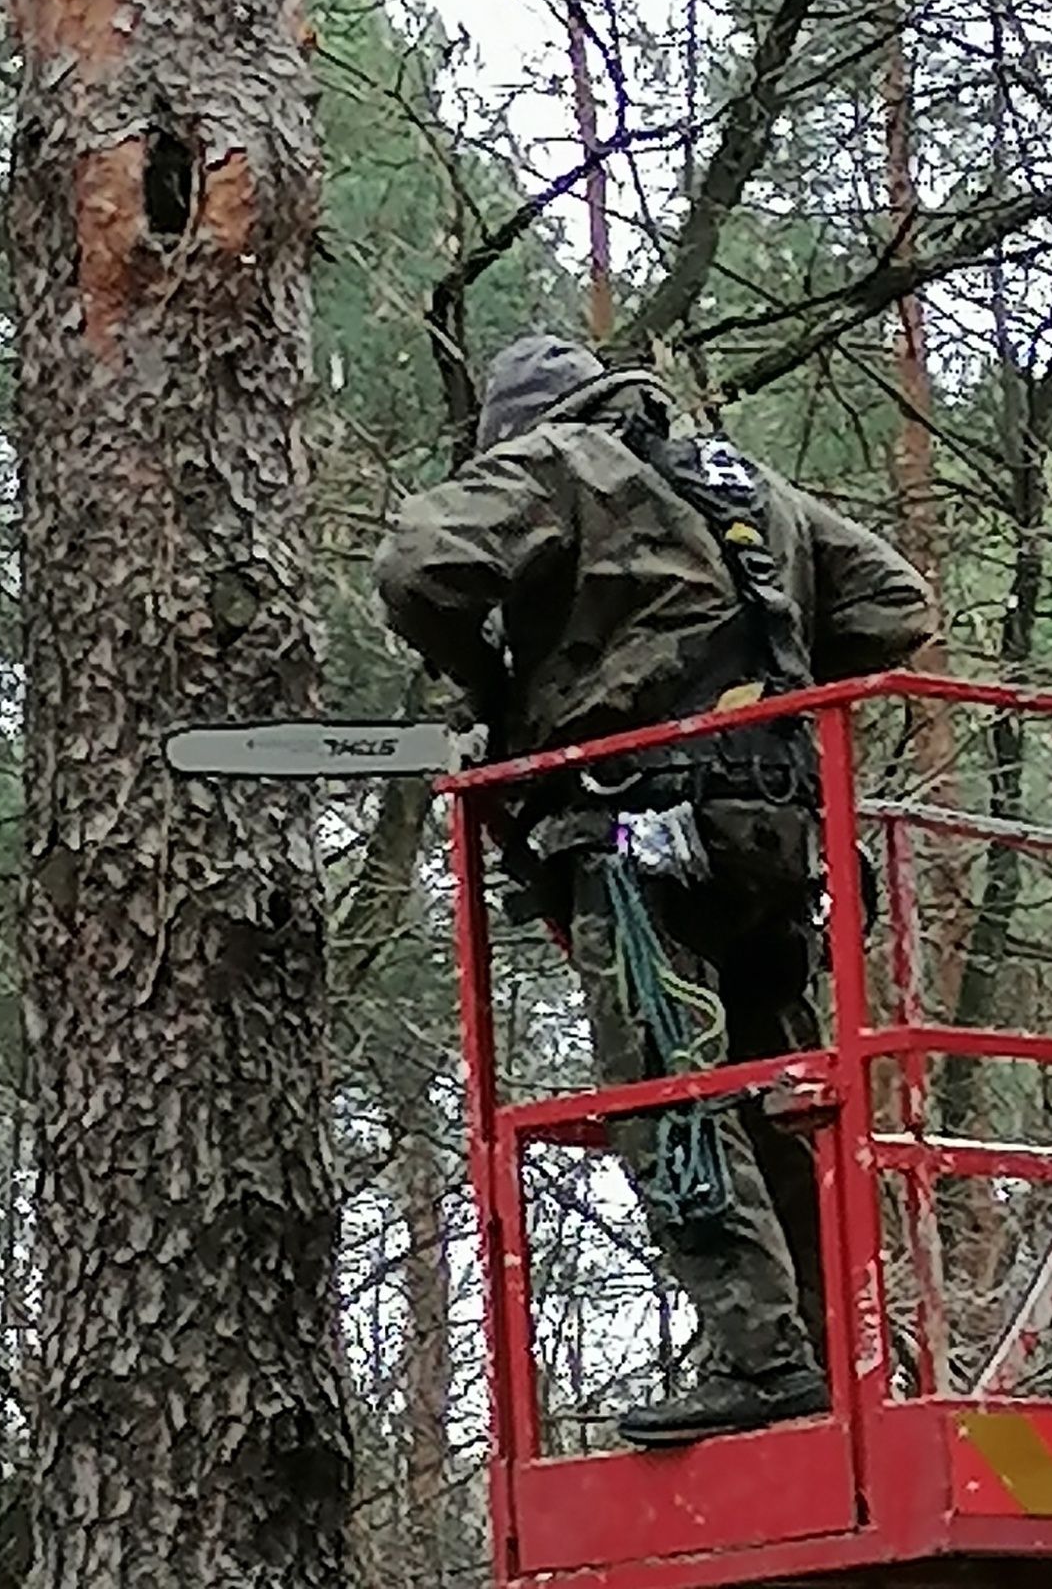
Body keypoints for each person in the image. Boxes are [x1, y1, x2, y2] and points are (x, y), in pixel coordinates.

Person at [375, 335, 935, 1447]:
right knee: (781, 1088)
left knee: (666, 1093)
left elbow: (420, 566)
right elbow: (894, 602)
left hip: (641, 826)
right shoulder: (740, 479)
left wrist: (501, 684)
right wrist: (763, 681)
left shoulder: (562, 463)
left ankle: (759, 1355)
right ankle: (830, 1348)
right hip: (778, 830)